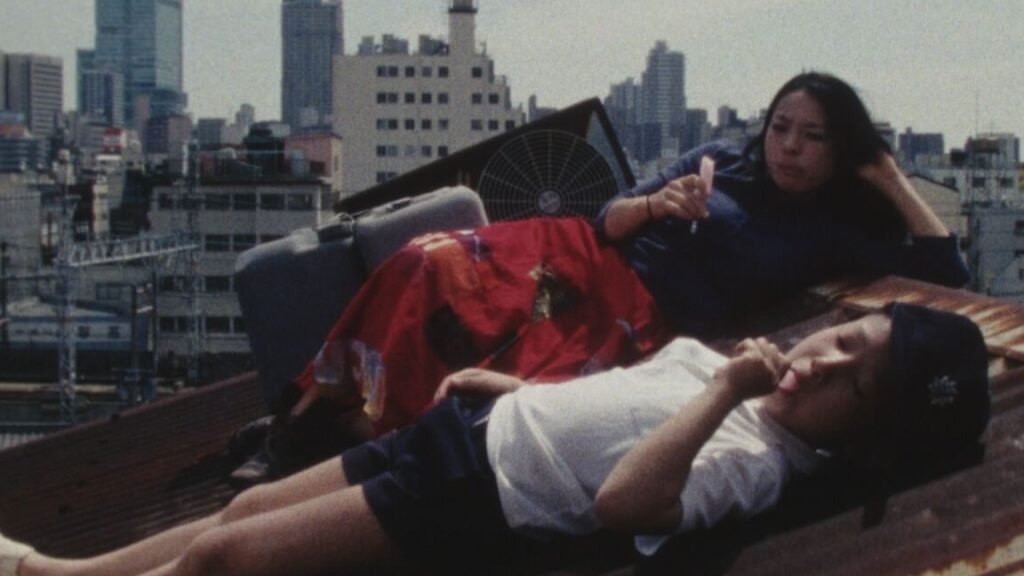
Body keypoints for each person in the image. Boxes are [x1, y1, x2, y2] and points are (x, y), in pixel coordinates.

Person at [231, 71, 970, 482]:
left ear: (842, 152)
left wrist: (888, 176)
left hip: (636, 316)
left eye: (814, 138)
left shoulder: (833, 230)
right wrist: (659, 202)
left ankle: (325, 435)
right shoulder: (721, 158)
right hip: (581, 253)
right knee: (430, 264)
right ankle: (307, 417)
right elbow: (612, 213)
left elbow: (946, 275)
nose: (790, 148)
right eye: (781, 126)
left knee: (490, 368)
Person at [0, 303, 990, 576]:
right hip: (478, 428)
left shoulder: (755, 459)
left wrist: (724, 391)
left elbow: (626, 499)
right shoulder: (741, 368)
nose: (820, 364)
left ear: (862, 444)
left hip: (476, 500)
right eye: (843, 340)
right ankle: (58, 572)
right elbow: (622, 398)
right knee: (248, 505)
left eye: (851, 386)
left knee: (227, 556)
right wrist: (519, 386)